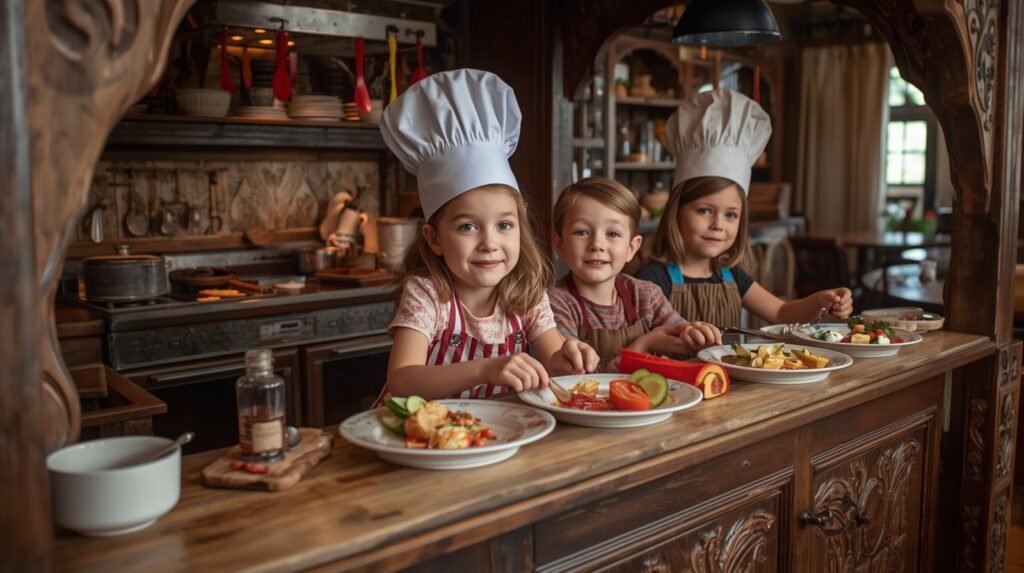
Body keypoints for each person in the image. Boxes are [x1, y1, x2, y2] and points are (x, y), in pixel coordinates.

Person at [378, 69, 598, 401]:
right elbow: (402, 381)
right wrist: (484, 369)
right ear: (434, 238)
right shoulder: (427, 295)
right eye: (468, 226)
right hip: (420, 436)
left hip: (495, 434)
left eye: (504, 225)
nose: (490, 243)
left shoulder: (527, 295)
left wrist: (570, 356)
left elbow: (553, 359)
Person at [636, 89, 852, 333]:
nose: (718, 224)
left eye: (731, 215)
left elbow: (781, 312)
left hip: (731, 373)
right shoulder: (653, 278)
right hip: (671, 373)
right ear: (677, 211)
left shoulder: (731, 275)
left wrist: (819, 301)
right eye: (705, 211)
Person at [548, 177, 720, 372]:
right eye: (581, 232)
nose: (597, 244)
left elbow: (680, 338)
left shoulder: (647, 294)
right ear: (559, 243)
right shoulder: (555, 304)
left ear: (631, 248)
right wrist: (644, 345)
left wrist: (693, 334)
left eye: (612, 234)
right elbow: (579, 379)